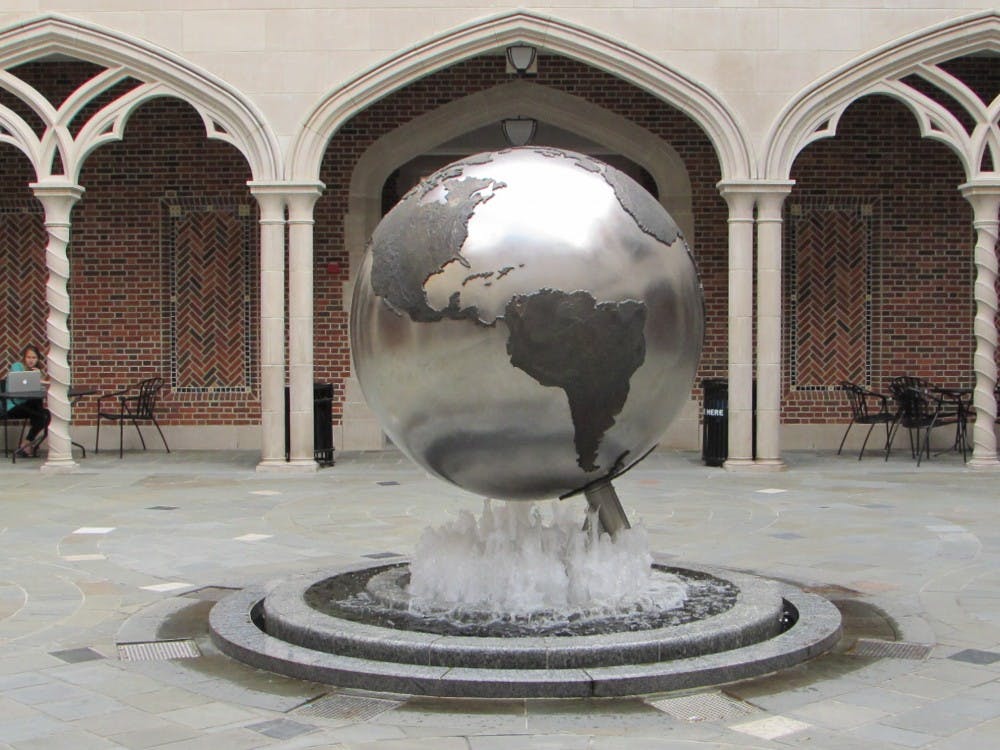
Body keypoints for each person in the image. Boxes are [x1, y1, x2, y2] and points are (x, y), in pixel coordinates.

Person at [5, 344, 51, 458]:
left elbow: (39, 390)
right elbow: (19, 386)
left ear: (38, 359)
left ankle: (26, 444)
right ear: (24, 358)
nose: (31, 360)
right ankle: (27, 446)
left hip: (29, 406)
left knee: (45, 415)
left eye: (34, 358)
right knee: (40, 411)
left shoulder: (36, 371)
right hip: (14, 405)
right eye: (29, 357)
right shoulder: (17, 366)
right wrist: (35, 378)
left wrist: (38, 377)